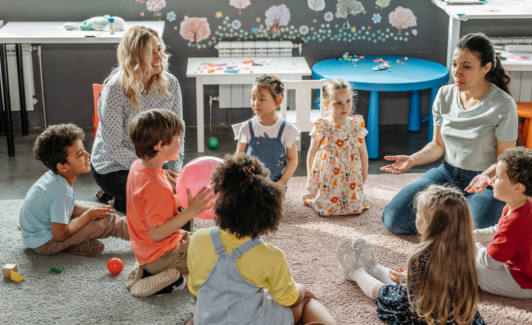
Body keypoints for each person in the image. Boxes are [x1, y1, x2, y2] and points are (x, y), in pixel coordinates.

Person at [381, 32, 518, 235]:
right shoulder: (444, 95)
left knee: (474, 235)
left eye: (466, 66)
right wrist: (412, 159)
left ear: (486, 68)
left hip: (485, 181)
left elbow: (505, 159)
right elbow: (437, 145)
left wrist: (486, 176)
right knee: (395, 220)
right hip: (446, 172)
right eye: (454, 64)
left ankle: (452, 215)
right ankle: (453, 214)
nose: (457, 72)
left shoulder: (503, 104)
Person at [187, 153, 339, 325]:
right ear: (266, 213)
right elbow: (289, 300)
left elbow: (197, 292)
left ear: (220, 199)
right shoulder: (271, 256)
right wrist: (303, 291)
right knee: (307, 303)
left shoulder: (198, 240)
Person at [336, 185, 485, 324]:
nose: (416, 215)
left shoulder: (421, 256)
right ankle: (374, 267)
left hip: (426, 313)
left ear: (430, 222)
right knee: (400, 281)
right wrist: (408, 278)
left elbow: (412, 296)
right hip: (457, 314)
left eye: (419, 213)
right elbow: (439, 280)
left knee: (383, 292)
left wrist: (406, 280)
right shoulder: (467, 250)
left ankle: (356, 272)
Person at [91, 25, 184, 213]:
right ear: (135, 57)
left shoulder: (171, 83)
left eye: (160, 49)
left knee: (175, 200)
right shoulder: (115, 89)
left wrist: (176, 174)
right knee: (157, 202)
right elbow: (113, 147)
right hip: (113, 166)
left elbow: (177, 133)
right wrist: (154, 171)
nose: (160, 56)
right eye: (151, 52)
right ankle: (116, 198)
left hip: (154, 160)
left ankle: (120, 199)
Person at [124, 110, 213, 297]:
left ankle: (147, 269)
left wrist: (182, 200)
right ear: (160, 146)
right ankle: (176, 280)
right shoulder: (156, 185)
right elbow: (157, 234)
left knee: (206, 240)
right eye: (177, 138)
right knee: (214, 265)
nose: (181, 142)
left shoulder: (139, 167)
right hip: (161, 254)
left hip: (147, 250)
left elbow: (154, 208)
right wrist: (190, 211)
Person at [20, 124, 129, 257]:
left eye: (84, 149)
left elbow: (69, 205)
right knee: (108, 223)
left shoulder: (54, 177)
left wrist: (90, 210)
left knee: (95, 216)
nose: (87, 154)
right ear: (62, 166)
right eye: (80, 154)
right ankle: (149, 236)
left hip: (35, 237)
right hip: (46, 243)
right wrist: (88, 216)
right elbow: (59, 235)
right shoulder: (61, 191)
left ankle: (75, 244)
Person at [304, 78, 370, 216]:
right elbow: (312, 153)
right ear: (326, 104)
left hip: (350, 175)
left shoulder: (356, 125)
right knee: (326, 206)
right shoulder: (322, 125)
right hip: (328, 176)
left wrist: (364, 174)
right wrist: (310, 177)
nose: (344, 107)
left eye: (348, 101)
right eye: (338, 103)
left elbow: (363, 152)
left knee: (352, 206)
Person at [473, 147, 532, 298]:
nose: (492, 180)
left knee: (476, 270)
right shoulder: (521, 204)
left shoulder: (516, 222)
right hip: (521, 264)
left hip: (526, 281)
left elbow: (490, 262)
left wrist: (472, 244)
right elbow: (498, 230)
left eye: (498, 177)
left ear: (517, 187)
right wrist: (471, 235)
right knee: (481, 247)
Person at [232, 75, 300, 189]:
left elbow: (292, 159)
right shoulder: (246, 127)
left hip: (275, 184)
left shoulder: (287, 129)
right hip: (250, 184)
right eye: (253, 98)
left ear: (277, 101)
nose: (256, 103)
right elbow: (239, 157)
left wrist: (282, 182)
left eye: (262, 99)